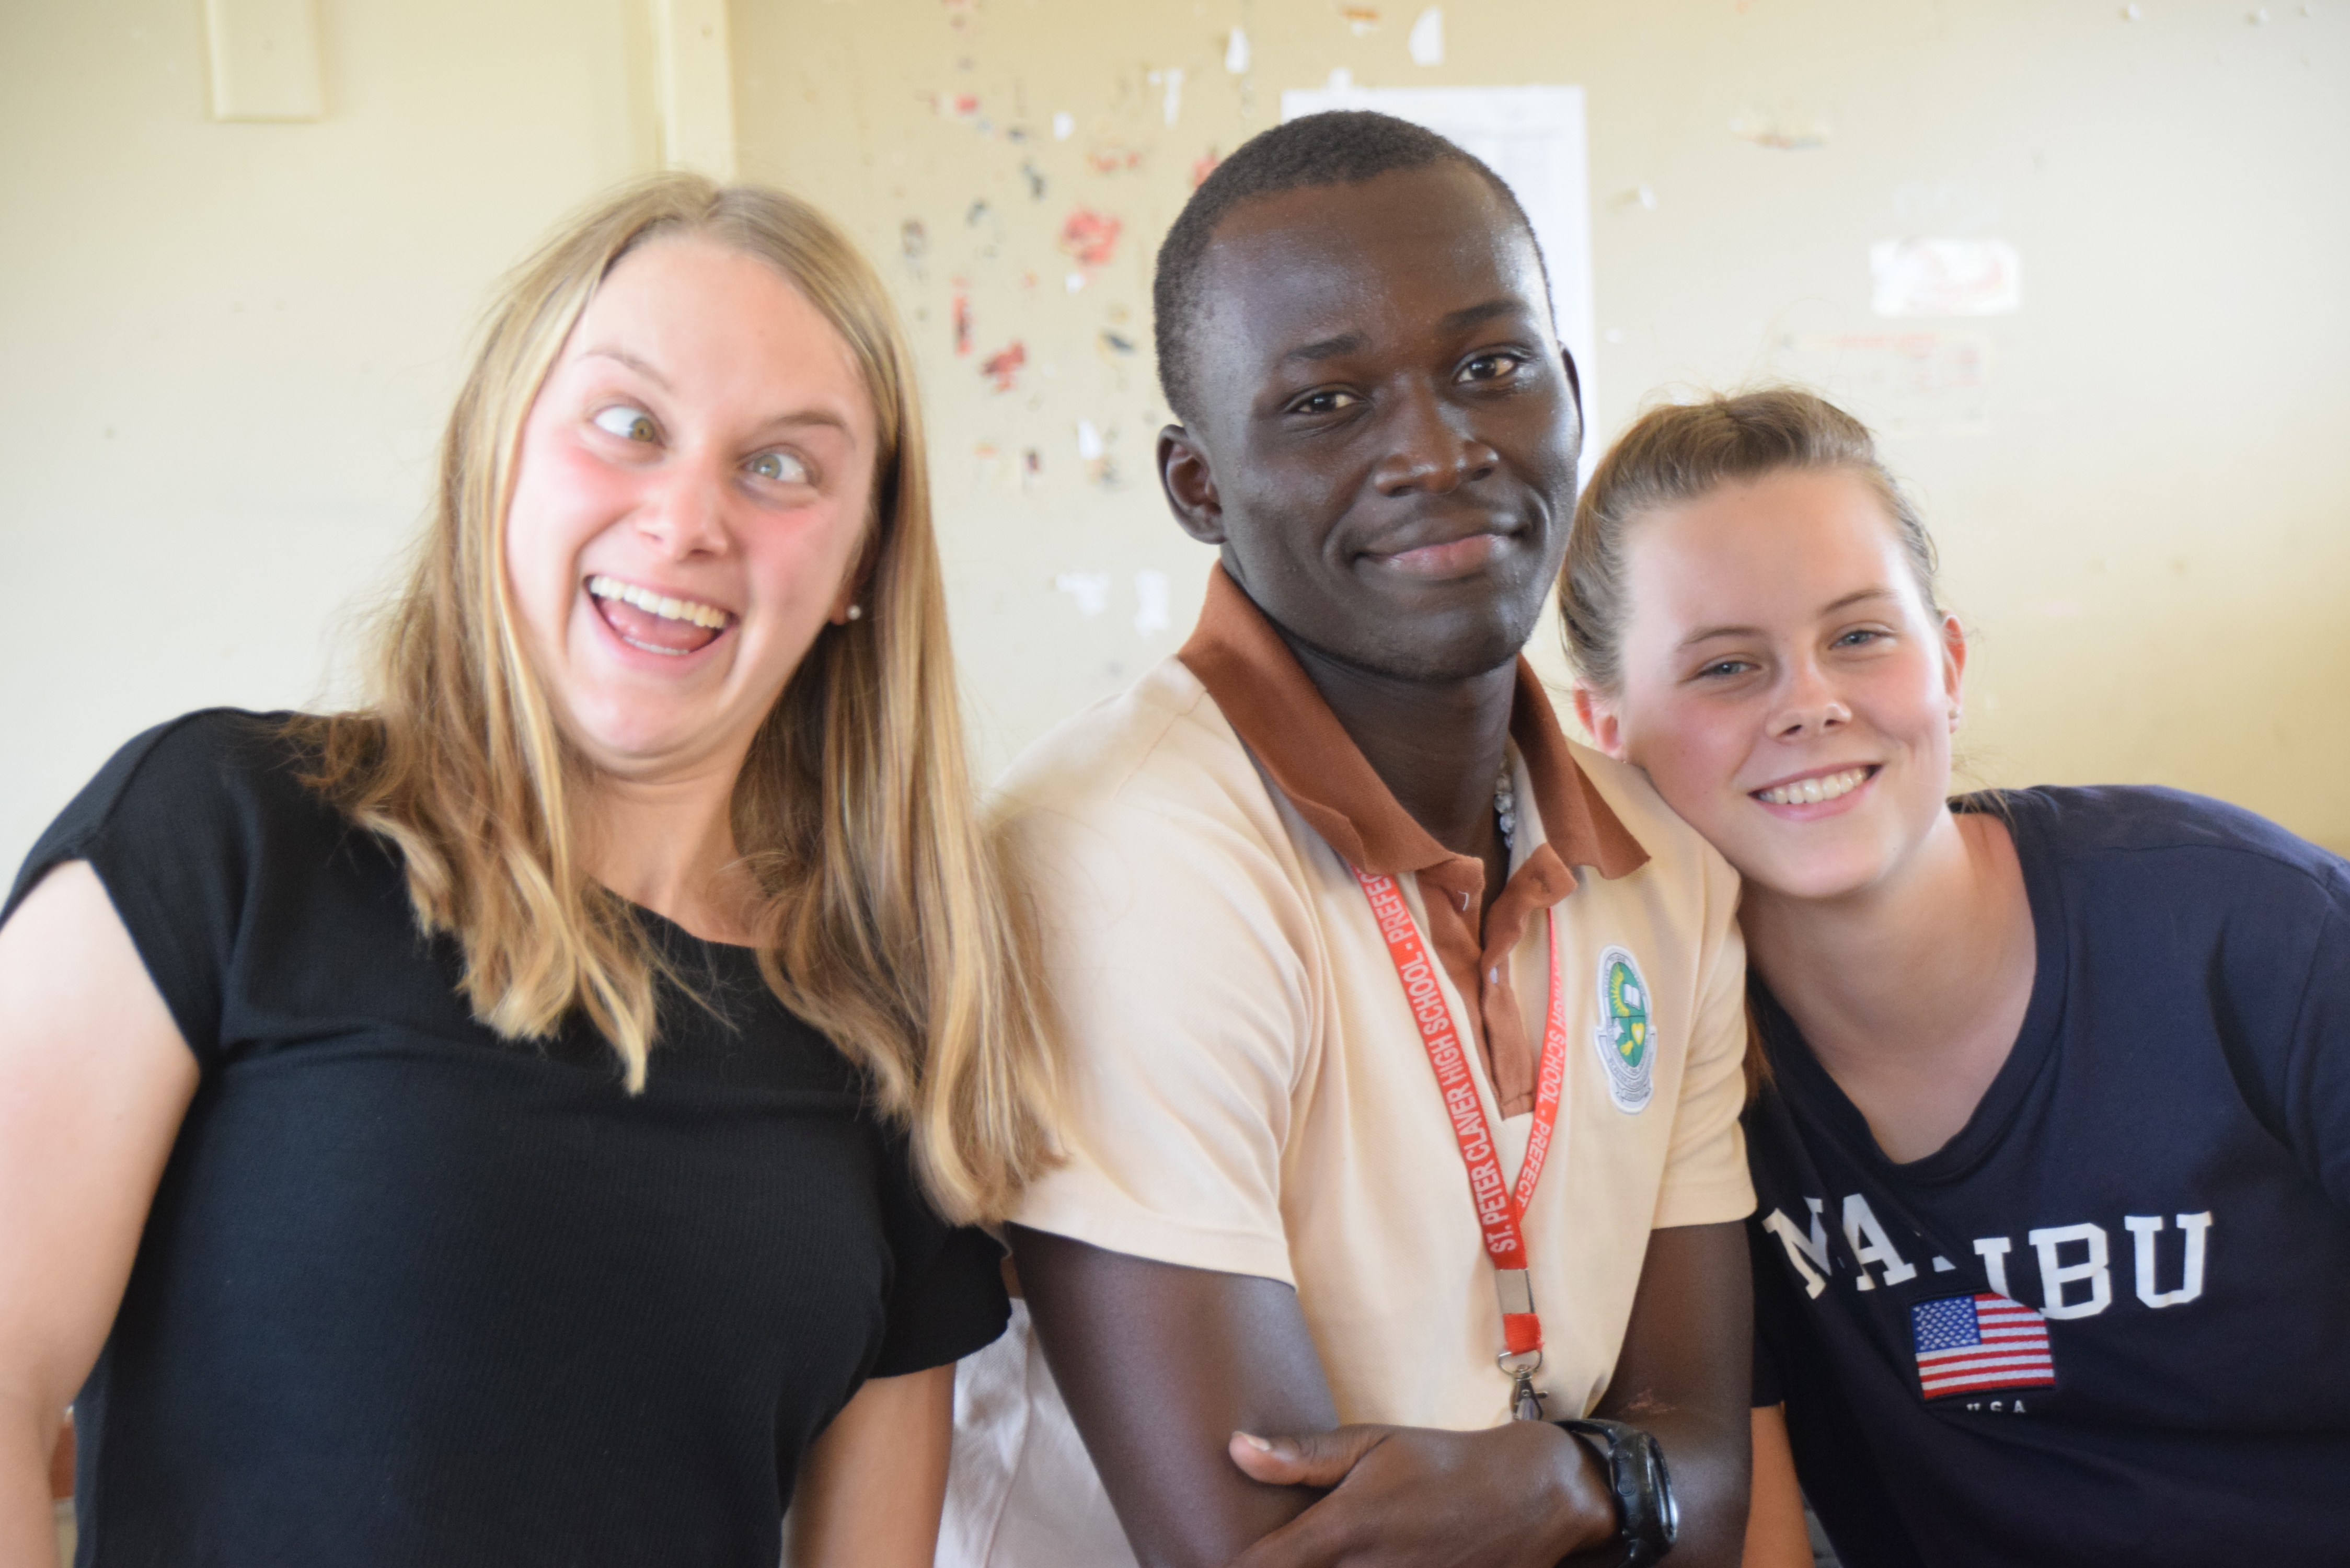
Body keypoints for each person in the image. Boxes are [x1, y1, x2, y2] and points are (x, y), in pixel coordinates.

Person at [0, 174, 1056, 1567]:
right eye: (630, 425)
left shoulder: (882, 1016)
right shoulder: (221, 833)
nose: (687, 518)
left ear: (863, 557)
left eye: (781, 465)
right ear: (500, 451)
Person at [941, 111, 1756, 1568]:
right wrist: (1619, 1485)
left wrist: (1564, 1483)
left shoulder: (1667, 866)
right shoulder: (1111, 862)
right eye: (1326, 403)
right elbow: (1260, 1547)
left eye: (1490, 368)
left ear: (1570, 395)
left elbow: (1713, 1471)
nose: (1437, 452)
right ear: (1198, 488)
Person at [1562, 387, 2350, 1566]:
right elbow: (1751, 1520)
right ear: (1606, 730)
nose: (1810, 704)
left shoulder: (2253, 927)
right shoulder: (1660, 1074)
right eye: (1726, 667)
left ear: (1950, 662)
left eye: (1859, 637)